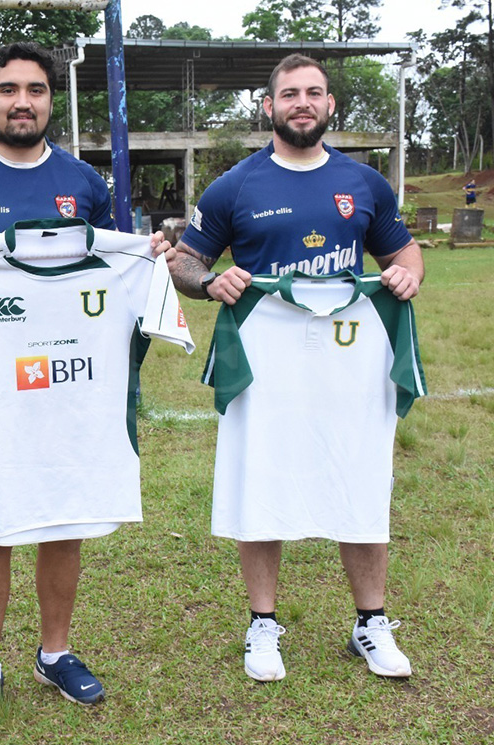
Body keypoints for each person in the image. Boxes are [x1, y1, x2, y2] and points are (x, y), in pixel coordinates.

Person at [0, 41, 173, 730]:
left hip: (71, 380)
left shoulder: (84, 182)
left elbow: (113, 264)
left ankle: (55, 652)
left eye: (36, 90)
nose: (23, 102)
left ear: (50, 100)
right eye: (10, 89)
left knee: (65, 514)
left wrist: (150, 257)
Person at [169, 53, 424, 683]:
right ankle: (262, 624)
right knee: (262, 479)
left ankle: (370, 623)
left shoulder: (364, 182)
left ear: (330, 104)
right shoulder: (235, 186)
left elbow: (404, 251)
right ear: (269, 106)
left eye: (313, 93)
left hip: (349, 357)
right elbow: (184, 261)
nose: (302, 103)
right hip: (266, 360)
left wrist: (406, 274)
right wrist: (211, 282)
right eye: (289, 94)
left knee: (360, 475)